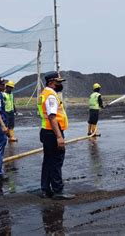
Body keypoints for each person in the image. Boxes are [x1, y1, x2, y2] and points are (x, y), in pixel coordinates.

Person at [37, 72, 75, 200]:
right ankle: (58, 191)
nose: (60, 84)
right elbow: (52, 117)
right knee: (56, 161)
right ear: (51, 82)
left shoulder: (44, 94)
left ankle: (45, 189)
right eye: (58, 82)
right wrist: (59, 137)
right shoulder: (51, 96)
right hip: (53, 132)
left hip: (46, 131)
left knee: (48, 161)